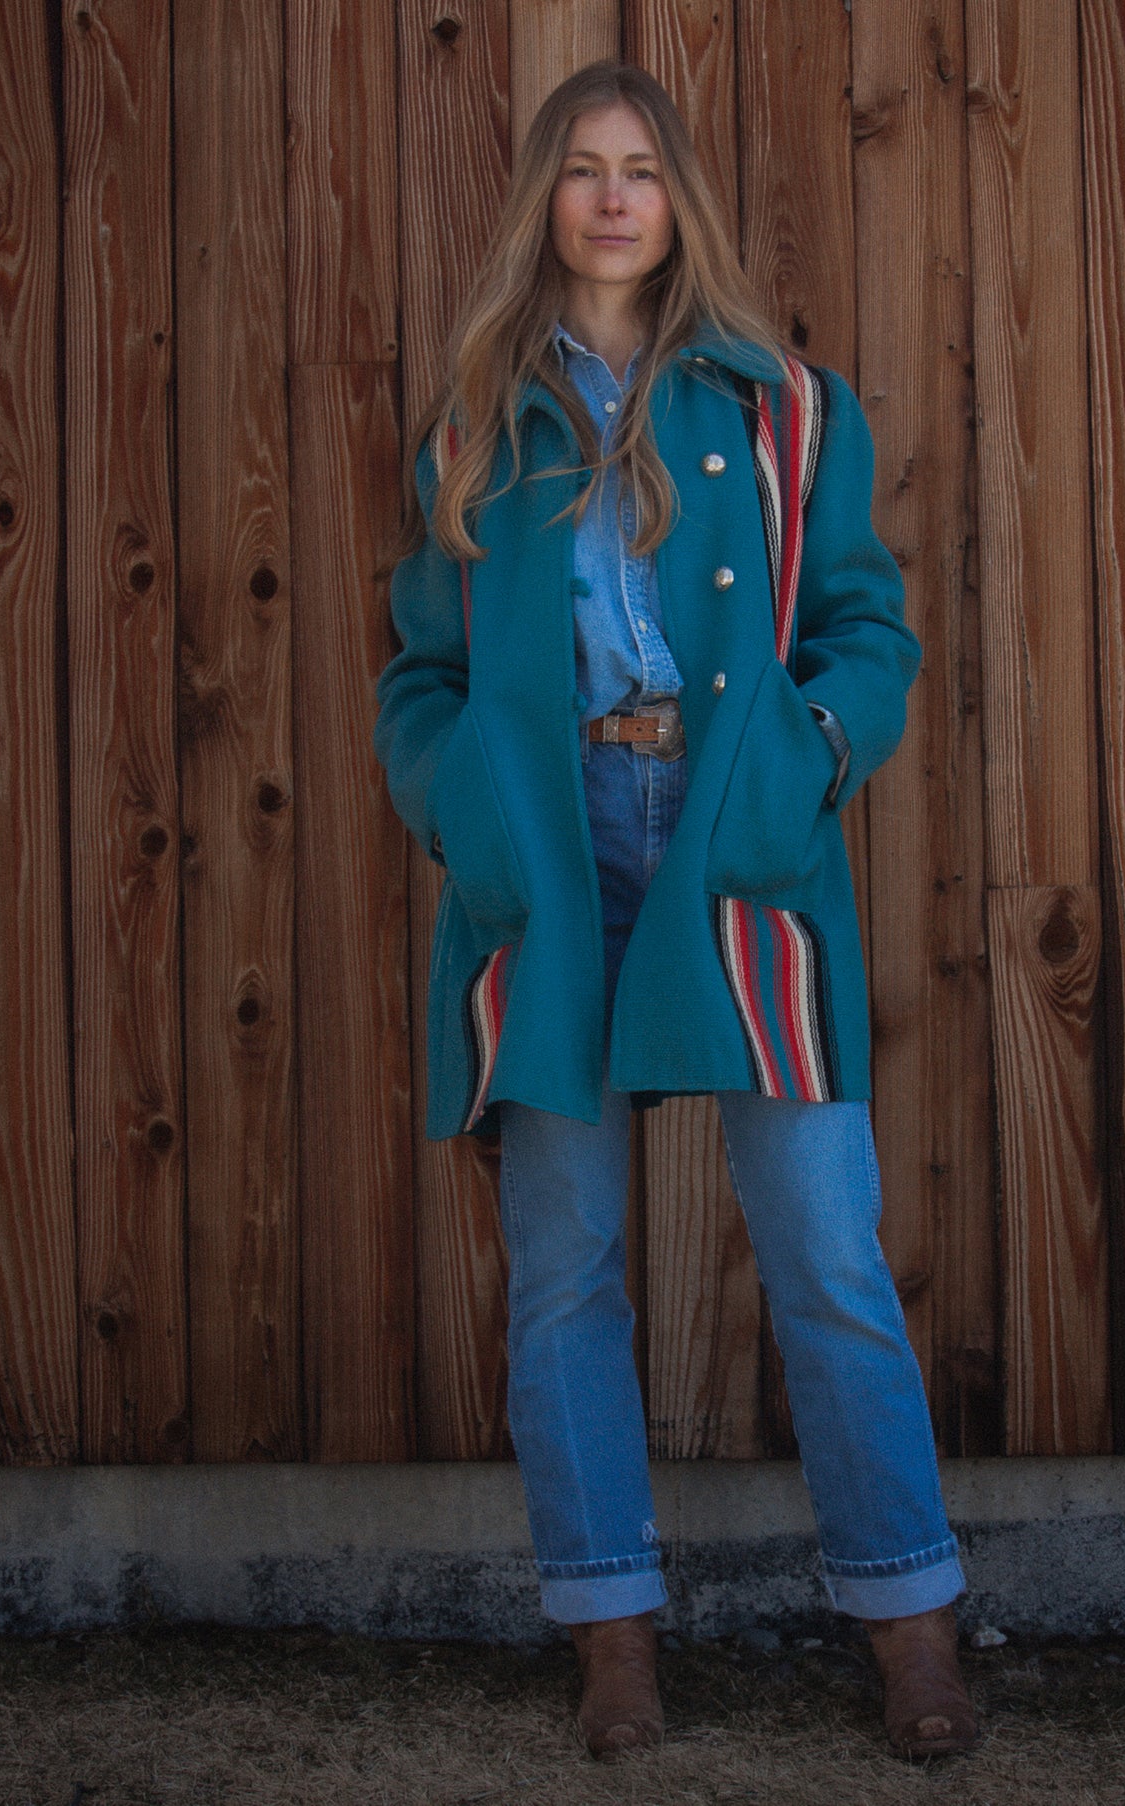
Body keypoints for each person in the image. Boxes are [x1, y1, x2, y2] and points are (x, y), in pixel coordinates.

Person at [374, 60, 977, 1762]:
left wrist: (803, 760)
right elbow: (418, 671)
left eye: (641, 167)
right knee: (563, 1269)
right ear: (543, 202)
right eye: (582, 169)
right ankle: (611, 1633)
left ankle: (911, 1620)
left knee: (824, 1247)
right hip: (550, 863)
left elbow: (864, 631)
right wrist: (461, 806)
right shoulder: (476, 423)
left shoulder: (788, 408)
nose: (614, 196)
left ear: (679, 195)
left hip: (736, 851)